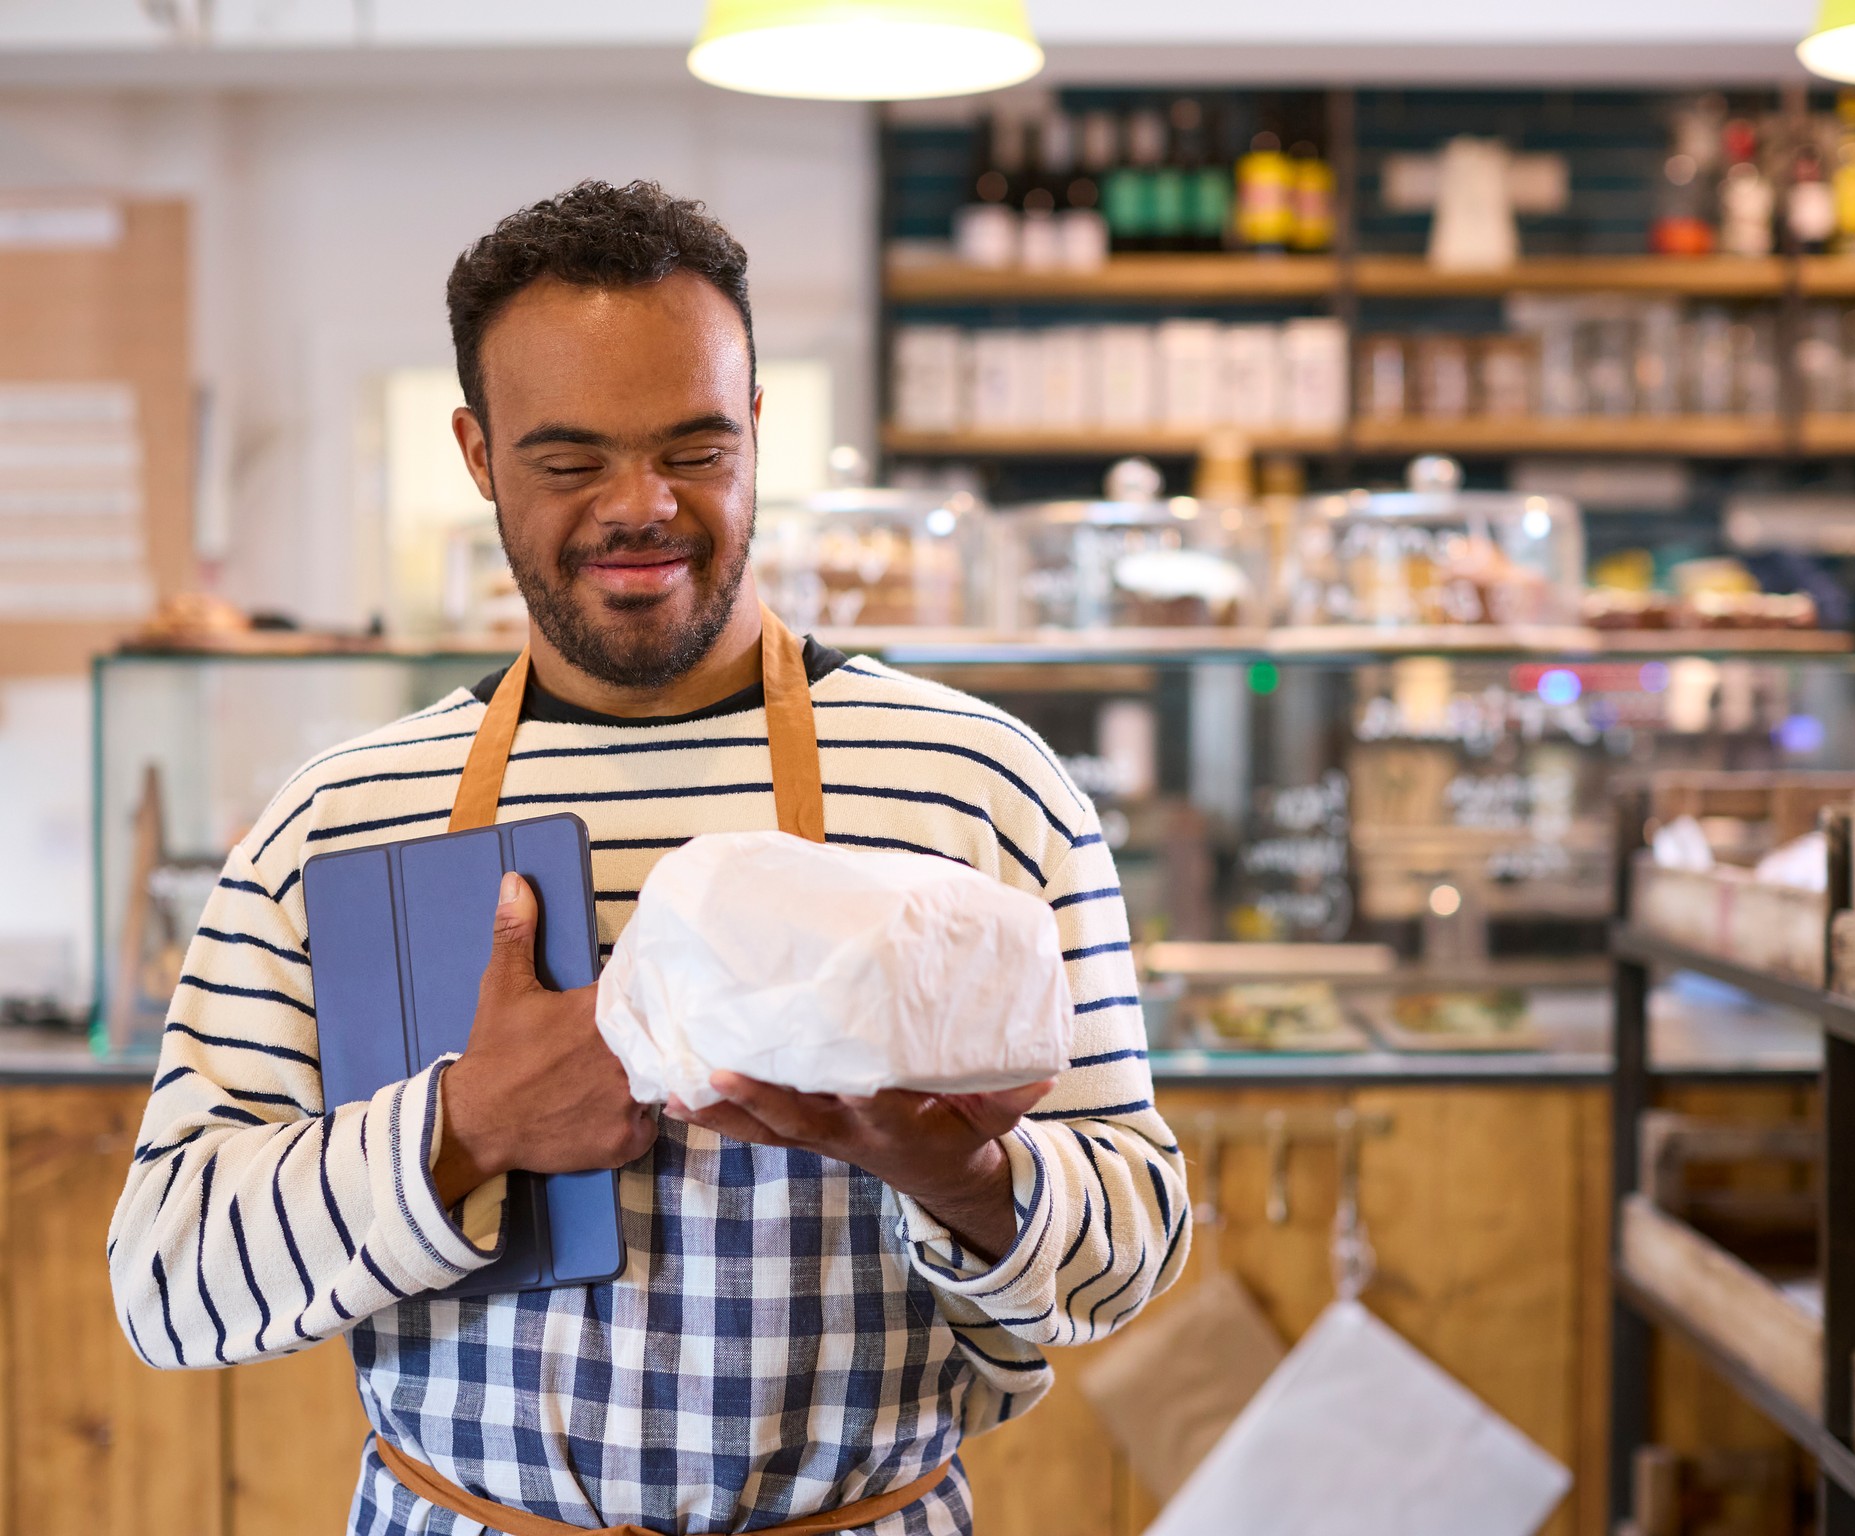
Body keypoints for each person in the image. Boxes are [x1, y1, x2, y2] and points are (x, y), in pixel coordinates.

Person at [107, 179, 1189, 1536]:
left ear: (757, 433)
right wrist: (464, 1130)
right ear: (478, 453)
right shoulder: (339, 818)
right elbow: (168, 1283)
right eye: (570, 462)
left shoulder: (979, 787)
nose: (644, 507)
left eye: (696, 449)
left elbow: (1132, 1248)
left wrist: (957, 1177)